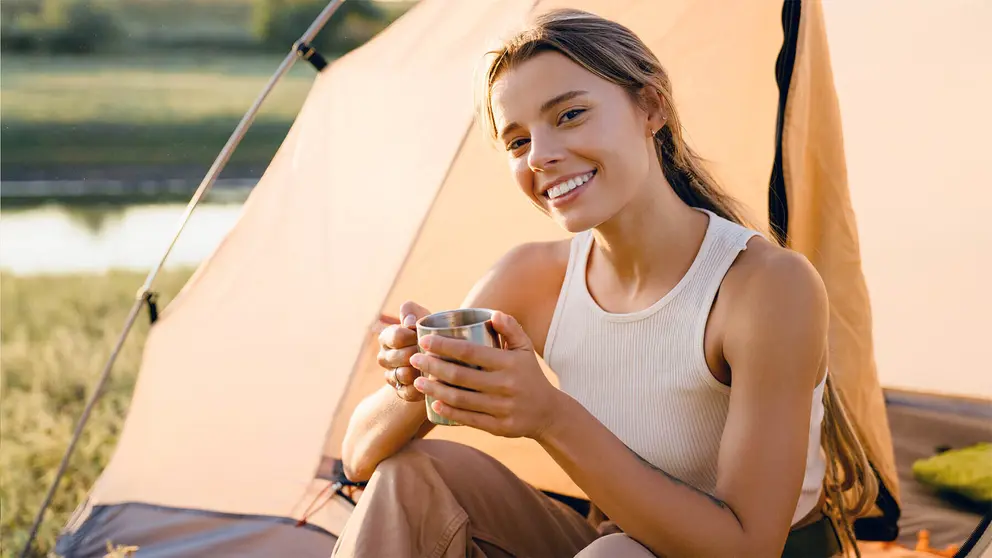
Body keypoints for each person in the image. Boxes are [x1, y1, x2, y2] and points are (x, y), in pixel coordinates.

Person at [336, 8, 878, 558]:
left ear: (650, 106)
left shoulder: (764, 286)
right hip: (621, 542)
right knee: (414, 474)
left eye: (569, 115)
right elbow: (359, 457)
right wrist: (414, 381)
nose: (542, 155)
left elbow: (746, 546)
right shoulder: (531, 279)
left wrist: (547, 415)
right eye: (517, 142)